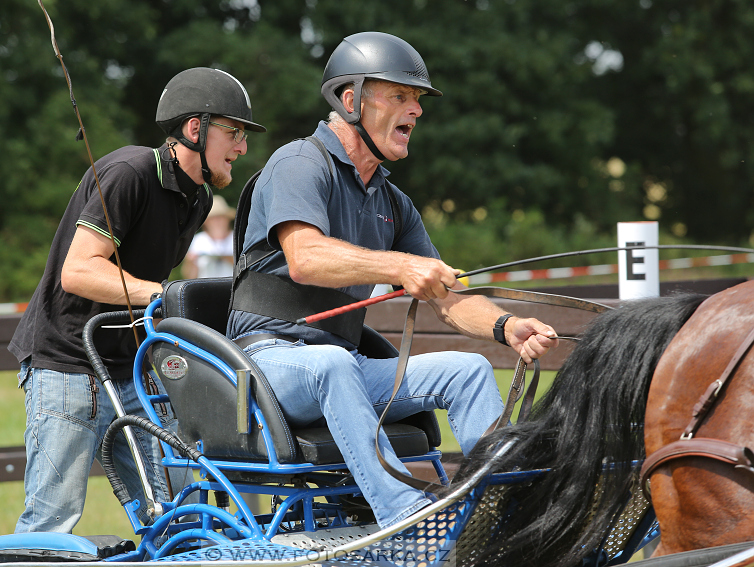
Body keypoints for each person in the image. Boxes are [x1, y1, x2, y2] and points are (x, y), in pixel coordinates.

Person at [226, 32, 558, 528]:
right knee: (332, 362)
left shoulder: (392, 201)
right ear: (350, 100)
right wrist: (400, 266)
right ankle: (409, 518)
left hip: (344, 365)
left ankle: (507, 514)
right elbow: (305, 257)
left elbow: (449, 297)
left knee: (465, 370)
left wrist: (505, 325)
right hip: (266, 363)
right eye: (400, 96)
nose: (416, 111)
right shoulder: (297, 163)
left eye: (418, 100)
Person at [8, 67, 265, 533]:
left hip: (133, 369)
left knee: (174, 518)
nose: (242, 147)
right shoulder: (130, 172)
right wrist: (166, 295)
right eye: (234, 133)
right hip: (67, 362)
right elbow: (79, 270)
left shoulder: (199, 199)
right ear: (195, 129)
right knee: (51, 522)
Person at [181, 195, 236, 279]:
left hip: (233, 288)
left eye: (220, 218)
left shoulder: (236, 239)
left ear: (227, 219)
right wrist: (190, 262)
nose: (216, 222)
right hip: (205, 288)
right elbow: (189, 277)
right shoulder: (198, 240)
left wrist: (223, 257)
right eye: (212, 218)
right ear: (206, 222)